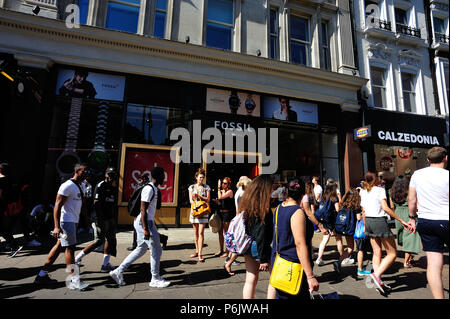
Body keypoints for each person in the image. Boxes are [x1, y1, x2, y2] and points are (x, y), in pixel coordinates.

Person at [109, 166, 170, 288]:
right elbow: (143, 208)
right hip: (145, 223)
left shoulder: (153, 188)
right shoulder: (149, 189)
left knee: (141, 248)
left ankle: (118, 271)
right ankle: (155, 278)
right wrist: (146, 228)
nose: (164, 178)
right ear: (158, 176)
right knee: (156, 251)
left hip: (145, 222)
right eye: (163, 175)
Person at [34, 163, 90, 290]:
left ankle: (41, 275)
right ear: (76, 171)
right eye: (84, 171)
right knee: (70, 248)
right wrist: (56, 226)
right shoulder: (67, 185)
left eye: (88, 172)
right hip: (66, 221)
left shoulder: (81, 185)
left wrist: (86, 220)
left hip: (73, 221)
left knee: (59, 246)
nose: (87, 173)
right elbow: (57, 206)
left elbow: (83, 205)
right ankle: (74, 280)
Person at [408, 147, 449, 299]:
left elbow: (412, 200)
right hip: (446, 219)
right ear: (445, 158)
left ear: (428, 160)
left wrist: (412, 218)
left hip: (425, 221)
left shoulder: (417, 175)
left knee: (433, 264)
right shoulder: (447, 176)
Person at [360, 171, 409, 294]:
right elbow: (385, 208)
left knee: (377, 252)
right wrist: (401, 219)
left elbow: (363, 211)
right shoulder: (380, 190)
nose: (381, 179)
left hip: (369, 222)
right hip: (378, 221)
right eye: (379, 177)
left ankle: (379, 280)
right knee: (392, 253)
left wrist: (366, 226)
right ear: (375, 179)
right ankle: (376, 275)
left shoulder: (363, 191)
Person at [268, 181, 319, 299]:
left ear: (287, 192)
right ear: (303, 195)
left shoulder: (278, 208)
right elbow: (300, 244)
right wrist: (310, 276)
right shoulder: (297, 212)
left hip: (280, 263)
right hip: (293, 267)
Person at [74, 167, 118, 272]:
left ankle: (105, 265)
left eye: (114, 175)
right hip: (100, 218)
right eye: (110, 174)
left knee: (110, 240)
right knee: (98, 241)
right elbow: (96, 202)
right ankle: (76, 259)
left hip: (109, 218)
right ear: (106, 174)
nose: (112, 177)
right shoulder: (101, 185)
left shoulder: (112, 187)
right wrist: (100, 219)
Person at [238, 175, 273, 299]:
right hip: (260, 246)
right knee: (274, 279)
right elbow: (261, 235)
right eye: (271, 188)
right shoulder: (264, 209)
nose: (272, 191)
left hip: (248, 244)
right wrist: (263, 259)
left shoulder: (248, 204)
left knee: (250, 279)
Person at [223, 176, 252, 275]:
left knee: (238, 242)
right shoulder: (244, 195)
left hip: (239, 219)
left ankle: (229, 260)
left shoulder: (239, 193)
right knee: (242, 243)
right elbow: (242, 209)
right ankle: (229, 262)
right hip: (243, 220)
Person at [389, 177, 420, 268]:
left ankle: (409, 257)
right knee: (410, 237)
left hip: (397, 214)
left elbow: (392, 206)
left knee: (402, 235)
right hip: (408, 213)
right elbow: (415, 204)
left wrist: (395, 215)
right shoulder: (409, 192)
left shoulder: (391, 192)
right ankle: (406, 262)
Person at [332, 188, 360, 274]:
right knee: (356, 248)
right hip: (353, 230)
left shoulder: (343, 204)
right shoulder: (356, 206)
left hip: (346, 229)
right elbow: (358, 218)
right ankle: (360, 267)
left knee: (350, 248)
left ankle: (338, 262)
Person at [188, 168, 211, 262]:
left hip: (203, 211)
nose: (201, 179)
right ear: (196, 177)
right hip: (194, 211)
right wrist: (194, 198)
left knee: (201, 232)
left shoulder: (206, 187)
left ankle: (200, 253)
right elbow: (190, 201)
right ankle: (197, 250)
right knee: (195, 232)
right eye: (200, 177)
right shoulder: (191, 187)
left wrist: (199, 196)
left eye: (203, 177)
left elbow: (208, 199)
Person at [314, 183, 340, 266]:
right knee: (338, 239)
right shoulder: (334, 198)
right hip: (332, 221)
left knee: (324, 239)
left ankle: (319, 258)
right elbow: (337, 209)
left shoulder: (324, 197)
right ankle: (343, 257)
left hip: (324, 220)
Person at [213, 177, 235, 259]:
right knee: (220, 232)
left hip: (227, 214)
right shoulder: (222, 192)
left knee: (226, 233)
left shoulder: (230, 191)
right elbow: (220, 201)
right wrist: (217, 202)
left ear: (228, 184)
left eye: (225, 183)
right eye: (222, 183)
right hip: (221, 213)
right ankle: (221, 249)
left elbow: (221, 197)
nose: (223, 184)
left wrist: (218, 188)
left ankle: (227, 251)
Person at [127, 173, 149, 251]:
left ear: (144, 179)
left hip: (142, 211)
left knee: (143, 228)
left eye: (140, 180)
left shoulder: (145, 187)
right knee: (140, 228)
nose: (138, 182)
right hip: (140, 210)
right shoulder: (143, 186)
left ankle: (136, 245)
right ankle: (136, 244)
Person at [355, 209, 372, 277]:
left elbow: (358, 217)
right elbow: (358, 217)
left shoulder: (360, 205)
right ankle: (360, 269)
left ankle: (361, 269)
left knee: (361, 250)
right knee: (361, 250)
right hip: (364, 231)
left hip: (362, 231)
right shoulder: (362, 206)